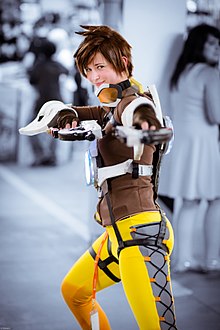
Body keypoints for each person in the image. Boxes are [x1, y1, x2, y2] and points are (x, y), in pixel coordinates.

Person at [47, 25, 177, 329]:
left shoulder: (132, 103)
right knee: (75, 292)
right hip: (117, 235)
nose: (94, 76)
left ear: (122, 63)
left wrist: (146, 127)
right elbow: (98, 112)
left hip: (142, 237)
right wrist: (69, 113)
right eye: (89, 69)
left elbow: (142, 114)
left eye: (101, 67)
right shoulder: (113, 105)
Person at [159, 24, 220, 273]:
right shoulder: (209, 73)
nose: (217, 49)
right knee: (215, 199)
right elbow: (216, 115)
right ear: (198, 45)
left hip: (184, 142)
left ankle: (183, 259)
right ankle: (211, 259)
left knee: (190, 201)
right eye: (211, 43)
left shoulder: (182, 72)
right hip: (204, 143)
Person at [28, 38, 69, 166]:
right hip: (57, 101)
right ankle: (52, 156)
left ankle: (40, 155)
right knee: (56, 129)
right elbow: (67, 71)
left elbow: (31, 80)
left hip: (41, 103)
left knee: (29, 128)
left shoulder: (38, 66)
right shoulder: (57, 65)